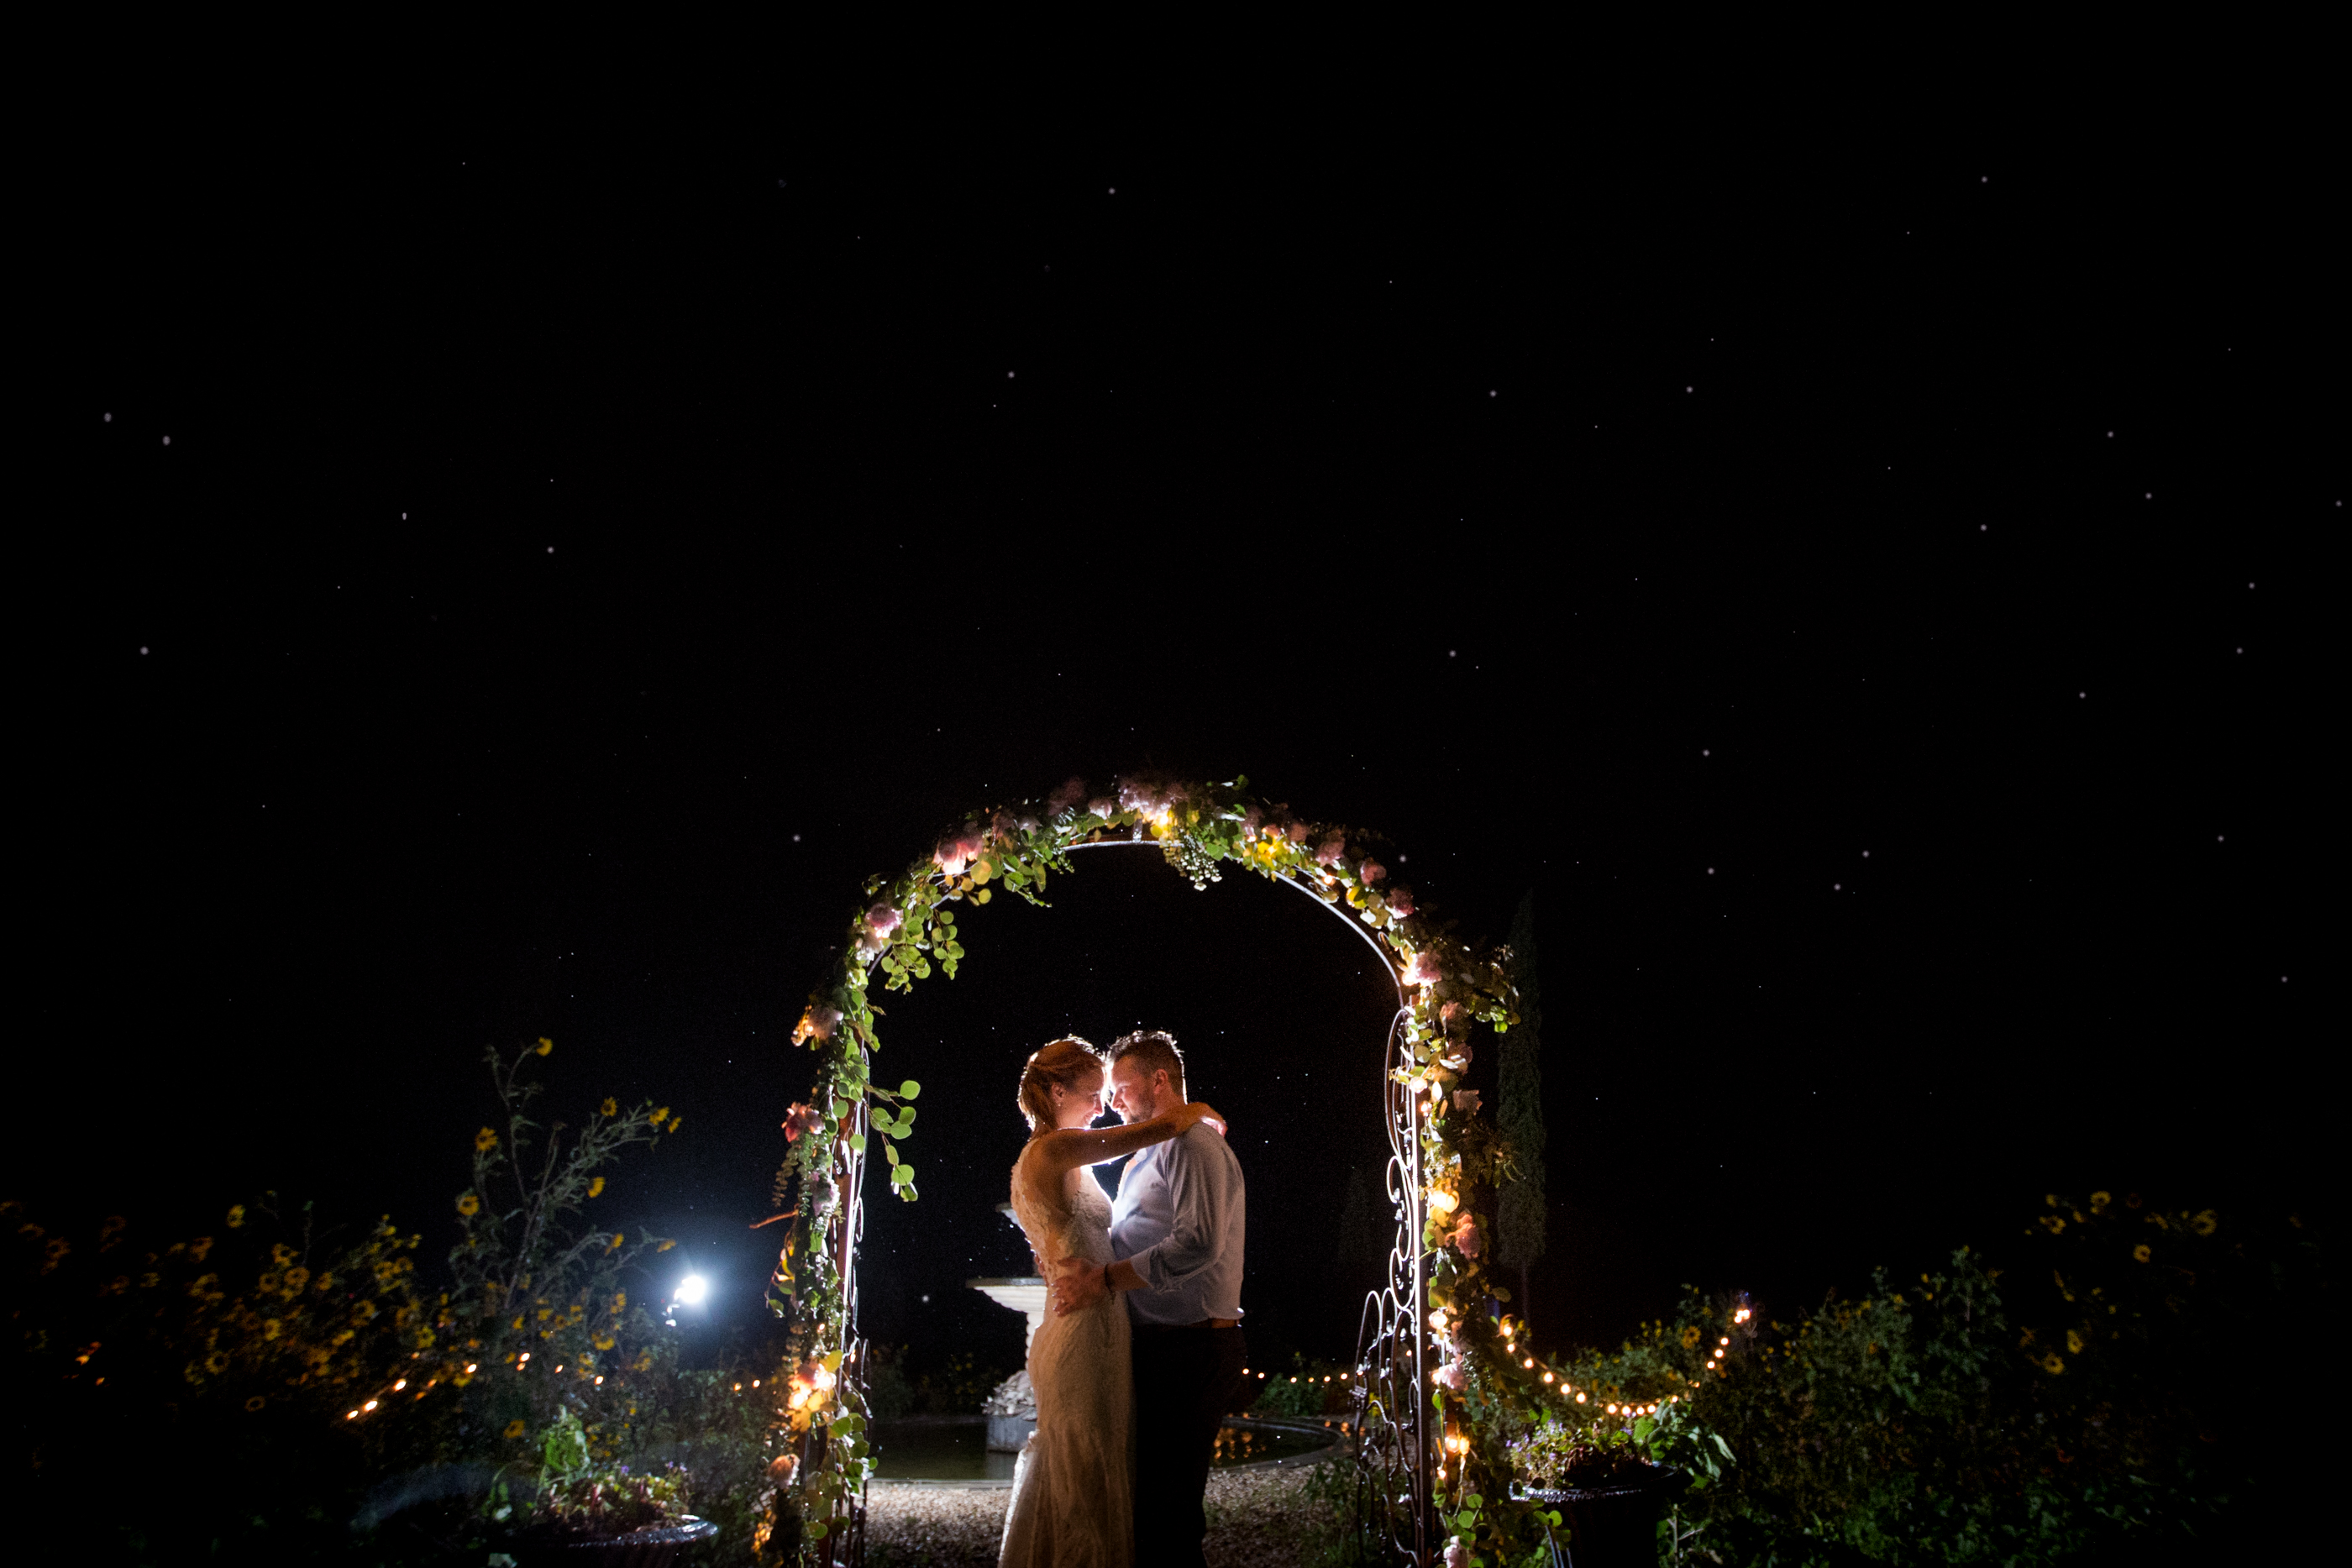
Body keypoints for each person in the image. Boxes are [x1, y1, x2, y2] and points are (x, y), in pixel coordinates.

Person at [1000, 1037, 1228, 1568]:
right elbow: (1153, 1130)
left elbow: (1065, 1232)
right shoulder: (1056, 1149)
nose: (1102, 1108)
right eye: (1093, 1094)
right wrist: (1199, 1109)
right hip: (1084, 1327)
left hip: (1094, 1318)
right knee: (1087, 1468)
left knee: (1095, 1464)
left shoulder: (1051, 1154)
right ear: (1058, 1092)